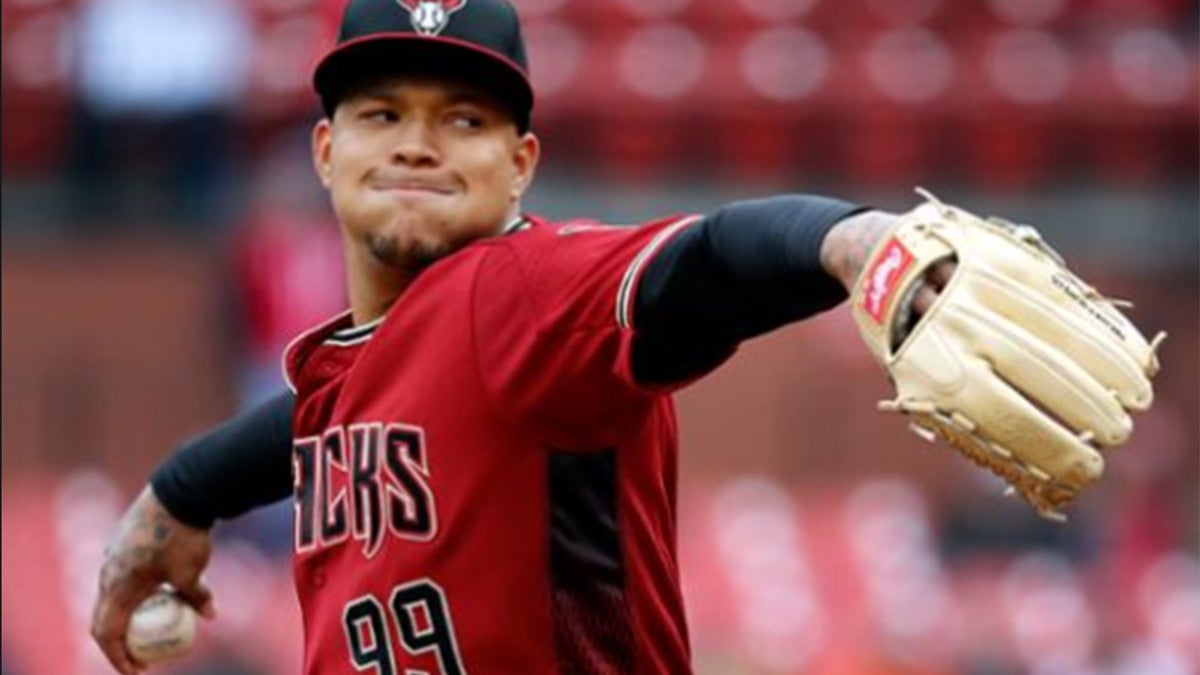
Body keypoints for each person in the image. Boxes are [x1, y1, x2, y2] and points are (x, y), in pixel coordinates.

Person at [87, 1, 1071, 674]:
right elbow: (324, 410)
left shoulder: (523, 291)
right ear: (324, 150)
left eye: (462, 118)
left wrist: (853, 243)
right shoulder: (359, 362)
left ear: (520, 165)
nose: (418, 142)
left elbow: (710, 263)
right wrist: (181, 493)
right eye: (382, 112)